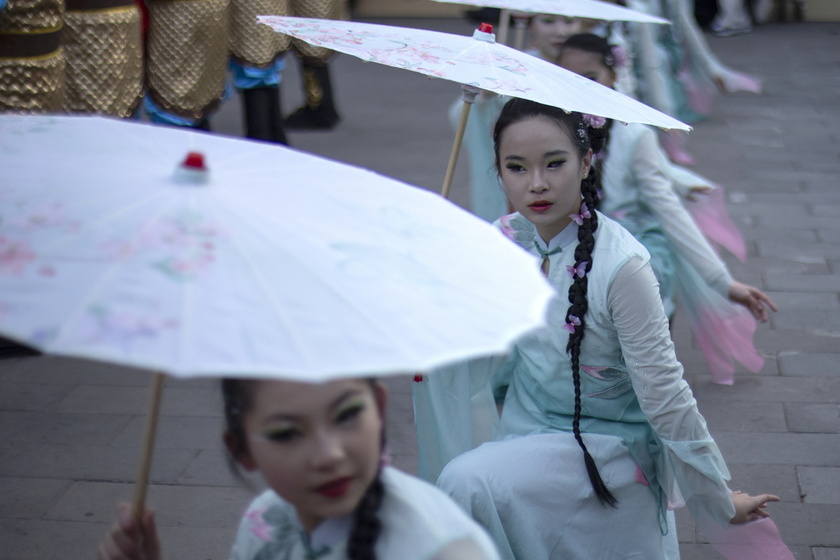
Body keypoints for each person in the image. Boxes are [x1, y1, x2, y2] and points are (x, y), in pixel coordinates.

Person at [412, 98, 791, 560]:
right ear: (499, 172)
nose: (536, 184)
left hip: (610, 443)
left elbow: (666, 393)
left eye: (555, 164)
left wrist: (713, 496)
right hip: (525, 429)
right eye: (516, 168)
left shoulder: (622, 267)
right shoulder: (502, 242)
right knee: (467, 489)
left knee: (466, 481)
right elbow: (475, 345)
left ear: (587, 161)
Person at [558, 33, 776, 384]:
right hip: (572, 246)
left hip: (631, 251)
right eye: (569, 78)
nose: (581, 88)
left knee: (641, 351)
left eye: (591, 78)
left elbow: (668, 208)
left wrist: (722, 282)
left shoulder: (632, 135)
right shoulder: (556, 130)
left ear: (614, 76)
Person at [97, 377, 502, 560]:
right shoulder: (265, 522)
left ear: (377, 407)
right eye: (287, 434)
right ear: (242, 450)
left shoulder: (446, 549)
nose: (328, 455)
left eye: (346, 415)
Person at [450, 14, 583, 222]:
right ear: (530, 24)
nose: (561, 31)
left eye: (569, 21)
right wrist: (486, 96)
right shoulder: (512, 66)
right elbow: (463, 115)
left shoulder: (590, 67)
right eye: (548, 21)